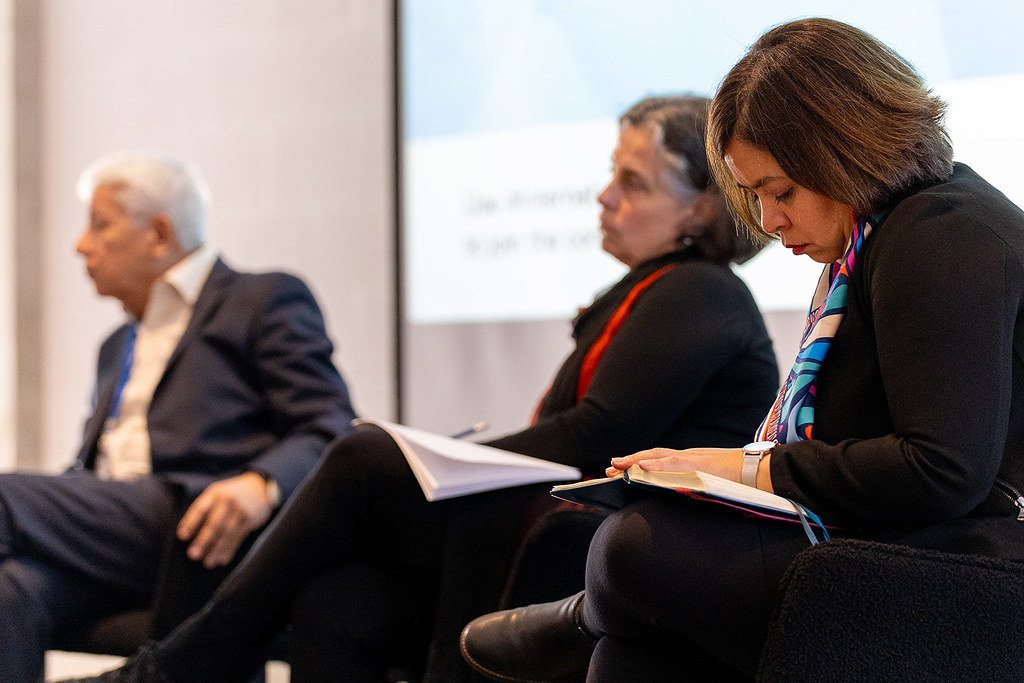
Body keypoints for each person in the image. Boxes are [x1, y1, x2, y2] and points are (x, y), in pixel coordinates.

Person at [62, 95, 779, 683]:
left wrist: (456, 461)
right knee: (337, 602)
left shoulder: (700, 290)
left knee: (364, 456)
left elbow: (596, 433)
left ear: (701, 210)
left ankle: (183, 663)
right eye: (610, 175)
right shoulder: (655, 290)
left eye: (633, 183)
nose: (604, 196)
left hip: (609, 543)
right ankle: (187, 659)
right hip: (554, 525)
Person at [458, 16, 1024, 682]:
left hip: (975, 571)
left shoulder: (942, 230)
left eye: (780, 192)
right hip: (907, 546)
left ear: (850, 145)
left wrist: (743, 468)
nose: (768, 222)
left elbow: (941, 470)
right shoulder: (882, 237)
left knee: (634, 549)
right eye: (755, 196)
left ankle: (586, 618)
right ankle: (595, 622)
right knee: (637, 633)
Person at [0, 151, 357, 683]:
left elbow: (331, 425)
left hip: (195, 521)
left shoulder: (259, 300)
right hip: (114, 535)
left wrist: (260, 484)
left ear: (159, 234)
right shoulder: (115, 344)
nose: (80, 245)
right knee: (10, 587)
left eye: (99, 225)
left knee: (6, 499)